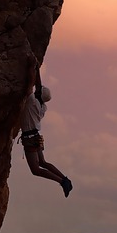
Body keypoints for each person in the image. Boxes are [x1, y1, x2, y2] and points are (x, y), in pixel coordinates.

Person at [20, 64, 73, 197]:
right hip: (36, 136)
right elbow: (38, 86)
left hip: (30, 139)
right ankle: (65, 179)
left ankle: (61, 181)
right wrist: (37, 68)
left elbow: (30, 85)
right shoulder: (42, 106)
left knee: (36, 169)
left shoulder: (32, 101)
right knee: (43, 162)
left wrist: (30, 68)